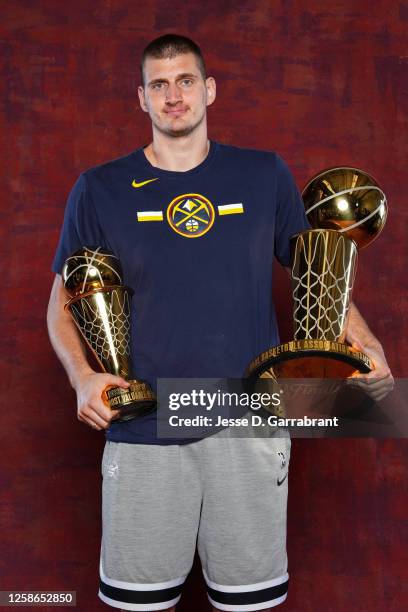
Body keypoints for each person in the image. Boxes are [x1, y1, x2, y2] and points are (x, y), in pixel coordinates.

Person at [47, 34, 394, 612]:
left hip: (248, 423)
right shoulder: (100, 189)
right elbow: (62, 298)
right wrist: (82, 377)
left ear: (208, 89)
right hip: (144, 426)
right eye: (159, 84)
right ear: (141, 98)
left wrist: (370, 351)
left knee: (248, 602)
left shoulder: (262, 176)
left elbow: (320, 277)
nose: (173, 95)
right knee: (139, 602)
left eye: (185, 80)